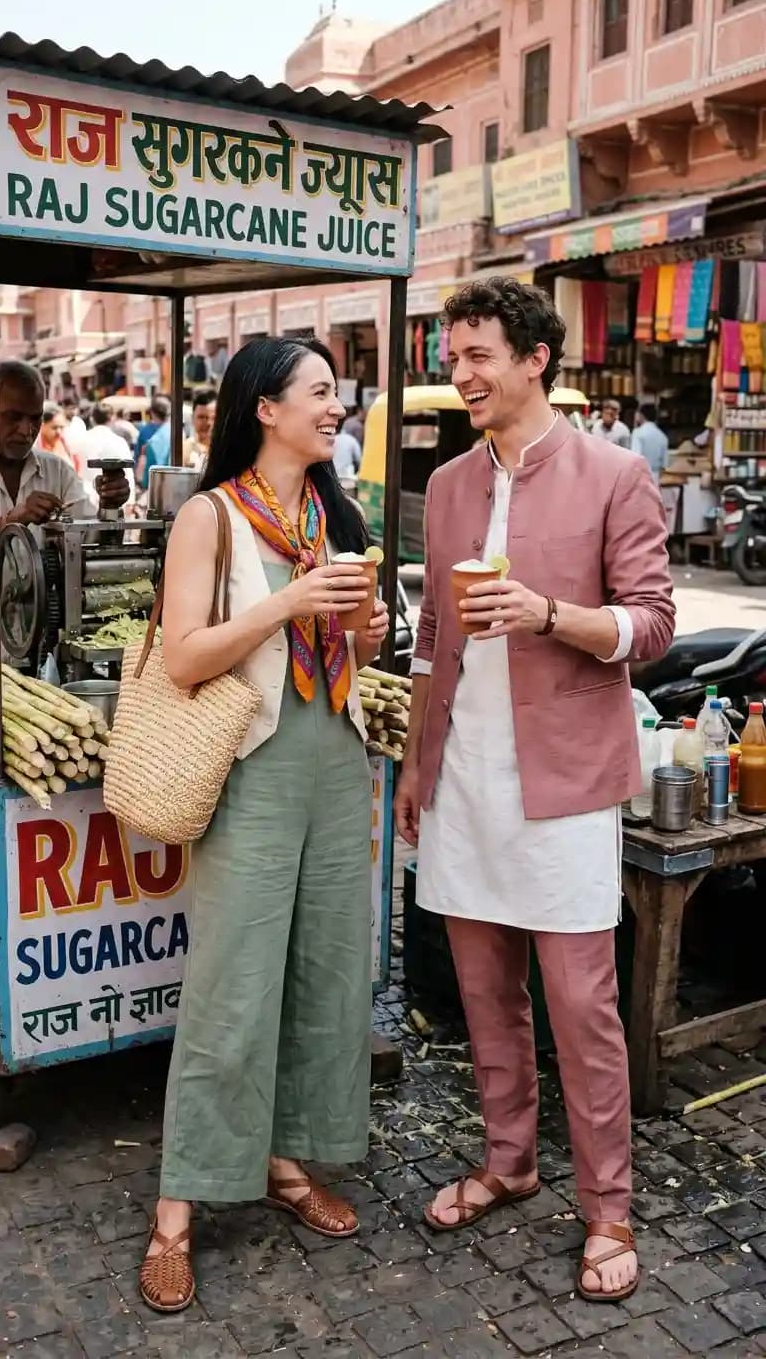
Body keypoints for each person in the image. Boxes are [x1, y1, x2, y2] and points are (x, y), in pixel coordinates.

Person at [394, 279, 674, 1304]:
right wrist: (419, 767)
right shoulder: (455, 482)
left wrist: (551, 610)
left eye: (477, 355)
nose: (461, 373)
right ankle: (510, 1158)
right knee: (481, 991)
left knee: (580, 1003)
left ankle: (608, 1205)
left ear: (535, 359)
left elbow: (651, 623)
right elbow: (432, 642)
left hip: (564, 783)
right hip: (465, 774)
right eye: (454, 355)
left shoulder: (612, 474)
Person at [139, 336, 389, 1313]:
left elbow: (345, 653)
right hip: (251, 767)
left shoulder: (331, 513)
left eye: (339, 392)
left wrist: (359, 638)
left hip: (335, 754)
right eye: (321, 392)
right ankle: (174, 1212)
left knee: (325, 971)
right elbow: (185, 656)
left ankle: (288, 1161)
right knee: (230, 989)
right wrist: (285, 602)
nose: (338, 407)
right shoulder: (209, 516)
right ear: (265, 408)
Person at [0, 361, 129, 533]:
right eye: (13, 417)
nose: (26, 431)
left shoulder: (59, 472)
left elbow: (89, 541)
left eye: (35, 418)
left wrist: (109, 508)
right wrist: (11, 521)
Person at [631, 403, 669, 484]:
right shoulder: (662, 436)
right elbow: (665, 464)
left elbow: (635, 457)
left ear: (641, 415)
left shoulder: (638, 433)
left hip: (641, 476)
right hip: (656, 477)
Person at [182, 388, 217, 470]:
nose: (207, 423)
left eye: (213, 418)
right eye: (201, 417)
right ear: (192, 418)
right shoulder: (183, 450)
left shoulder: (227, 450)